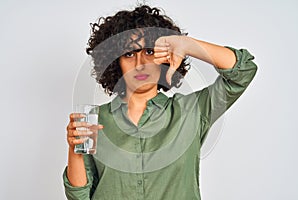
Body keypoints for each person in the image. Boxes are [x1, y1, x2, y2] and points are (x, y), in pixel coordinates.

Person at [63, 5, 257, 200]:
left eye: (149, 52)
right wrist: (75, 148)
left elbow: (244, 70)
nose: (139, 65)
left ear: (164, 56)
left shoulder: (192, 111)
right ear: (116, 63)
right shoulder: (94, 120)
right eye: (129, 54)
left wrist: (186, 45)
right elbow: (79, 196)